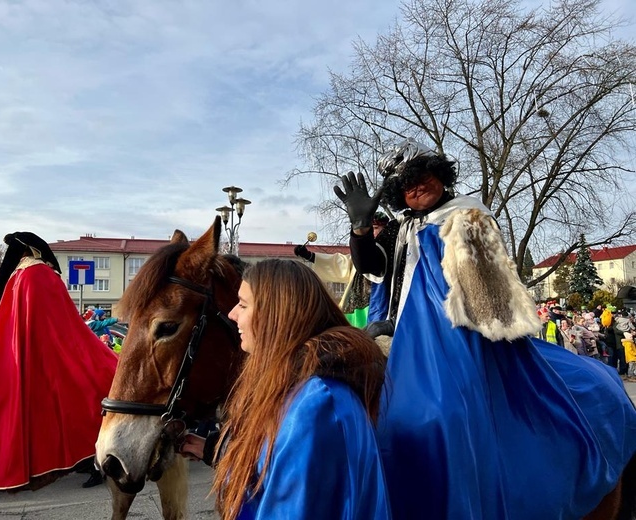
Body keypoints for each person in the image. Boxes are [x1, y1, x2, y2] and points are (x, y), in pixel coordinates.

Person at [334, 137, 636, 519]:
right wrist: (361, 229)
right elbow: (372, 268)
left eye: (422, 175)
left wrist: (414, 324)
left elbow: (484, 296)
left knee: (441, 413)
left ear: (438, 174)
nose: (416, 186)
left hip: (454, 337)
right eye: (405, 185)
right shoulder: (401, 229)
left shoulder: (468, 215)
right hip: (397, 334)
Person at [207, 259, 391, 520]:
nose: (232, 314)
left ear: (276, 315)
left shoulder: (317, 406)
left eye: (244, 305)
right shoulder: (294, 388)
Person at [0, 232, 118, 492]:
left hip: (14, 355)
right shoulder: (33, 275)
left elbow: (29, 327)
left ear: (25, 251)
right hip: (1, 350)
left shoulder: (32, 275)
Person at [293, 212, 390, 327]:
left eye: (375, 228)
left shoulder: (392, 254)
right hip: (355, 307)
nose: (371, 233)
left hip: (378, 305)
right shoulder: (359, 255)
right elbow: (341, 264)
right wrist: (310, 256)